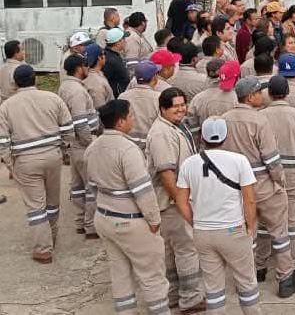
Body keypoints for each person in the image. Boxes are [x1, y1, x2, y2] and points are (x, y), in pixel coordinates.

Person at [85, 99, 171, 313]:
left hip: (104, 218)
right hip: (130, 221)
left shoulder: (93, 147)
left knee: (120, 273)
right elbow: (142, 191)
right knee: (152, 276)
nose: (133, 119)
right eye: (131, 115)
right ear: (121, 122)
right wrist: (154, 219)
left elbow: (92, 186)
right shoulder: (128, 149)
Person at [222, 77, 295, 298]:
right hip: (264, 186)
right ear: (250, 97)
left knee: (248, 235)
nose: (262, 95)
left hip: (238, 189)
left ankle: (251, 277)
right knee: (279, 233)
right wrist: (280, 181)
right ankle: (285, 279)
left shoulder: (224, 120)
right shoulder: (259, 121)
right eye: (258, 92)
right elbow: (272, 159)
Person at [174, 118, 261, 315]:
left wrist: (196, 222)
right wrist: (250, 226)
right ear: (225, 136)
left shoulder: (189, 164)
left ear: (202, 137)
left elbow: (181, 201)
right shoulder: (239, 161)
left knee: (213, 289)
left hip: (203, 233)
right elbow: (249, 200)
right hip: (233, 230)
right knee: (246, 282)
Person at [0, 64, 74, 262]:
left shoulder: (6, 107)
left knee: (36, 207)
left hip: (25, 161)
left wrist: (11, 164)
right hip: (52, 157)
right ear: (36, 79)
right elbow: (68, 129)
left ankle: (43, 249)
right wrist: (62, 149)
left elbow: (3, 142)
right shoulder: (53, 99)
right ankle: (52, 236)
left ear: (15, 83)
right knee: (52, 202)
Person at [145, 87, 204, 314]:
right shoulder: (161, 133)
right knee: (186, 249)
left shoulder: (175, 126)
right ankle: (190, 298)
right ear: (163, 109)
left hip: (175, 200)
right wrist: (182, 203)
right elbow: (166, 173)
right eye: (175, 106)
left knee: (172, 250)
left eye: (182, 105)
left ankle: (173, 296)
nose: (180, 109)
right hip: (172, 202)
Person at [262, 76, 295, 273]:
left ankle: (261, 263)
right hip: (294, 174)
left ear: (268, 94)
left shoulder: (261, 116)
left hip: (267, 174)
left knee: (265, 220)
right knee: (293, 221)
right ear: (287, 92)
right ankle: (293, 263)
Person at [57, 55, 99, 239]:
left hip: (74, 145)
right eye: (85, 65)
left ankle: (80, 222)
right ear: (79, 68)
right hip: (83, 144)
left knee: (78, 186)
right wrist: (91, 143)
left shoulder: (65, 86)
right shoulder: (76, 91)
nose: (88, 68)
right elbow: (80, 122)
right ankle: (91, 226)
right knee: (92, 186)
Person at [185, 60, 239, 139]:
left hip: (206, 143)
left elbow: (192, 126)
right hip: (231, 142)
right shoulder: (236, 98)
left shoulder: (197, 98)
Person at [120, 61, 163, 153]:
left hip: (127, 146)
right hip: (151, 147)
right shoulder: (159, 98)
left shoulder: (123, 96)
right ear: (154, 77)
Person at [85, 42, 115, 109]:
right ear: (99, 57)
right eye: (104, 54)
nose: (105, 56)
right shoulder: (96, 83)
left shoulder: (91, 74)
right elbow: (100, 109)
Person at [102, 27, 131, 97]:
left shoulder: (108, 55)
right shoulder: (112, 60)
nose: (126, 41)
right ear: (118, 43)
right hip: (116, 97)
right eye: (124, 39)